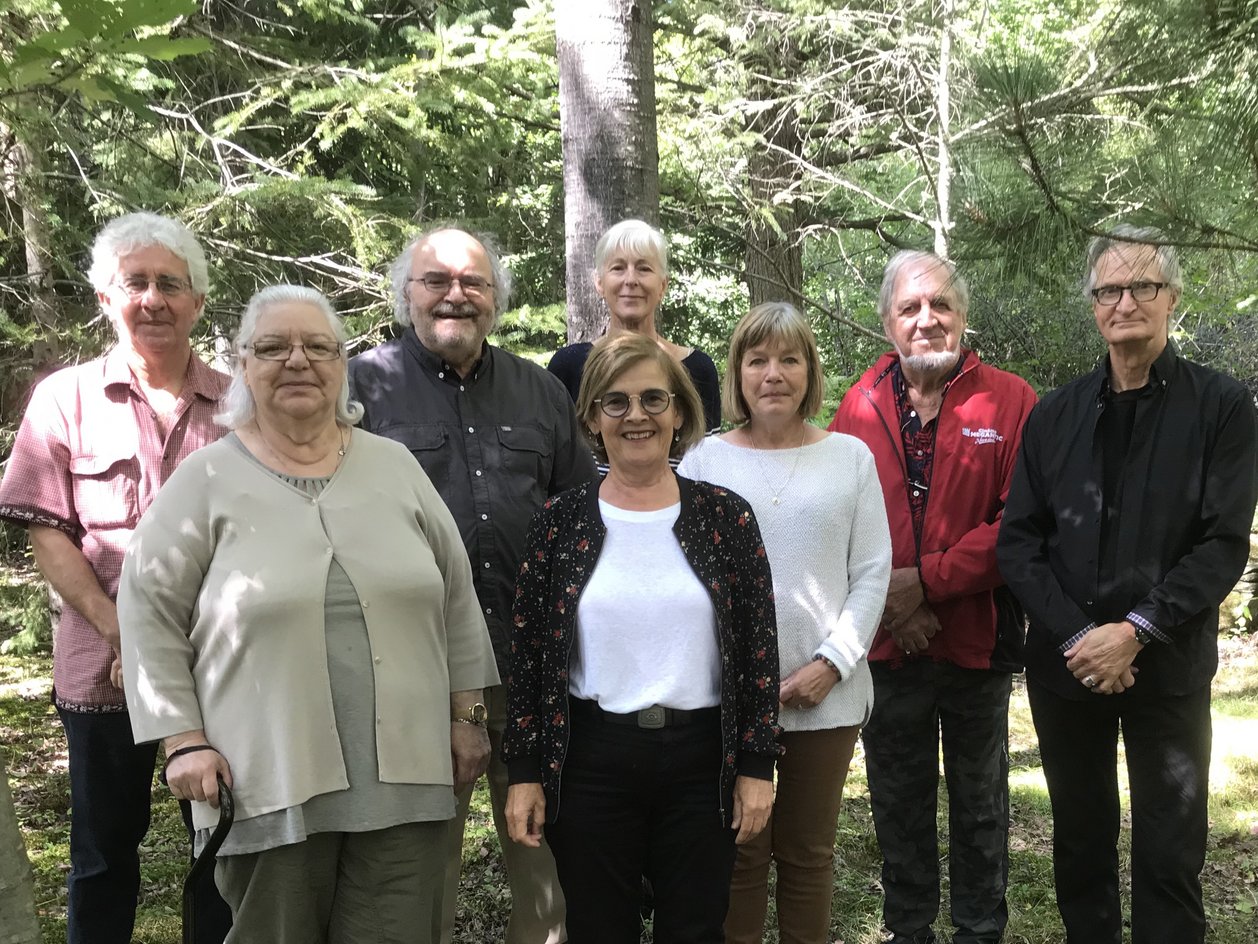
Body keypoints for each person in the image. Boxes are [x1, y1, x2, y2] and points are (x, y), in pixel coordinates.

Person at [117, 285, 499, 943]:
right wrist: (182, 740)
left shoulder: (395, 466)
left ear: (341, 365)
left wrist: (467, 716)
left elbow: (456, 596)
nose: (298, 361)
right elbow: (147, 611)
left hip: (409, 774)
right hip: (265, 775)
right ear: (242, 364)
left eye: (318, 347)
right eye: (273, 347)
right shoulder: (205, 480)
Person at [996, 227, 1258, 944]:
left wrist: (1136, 630)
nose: (1125, 302)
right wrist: (1082, 638)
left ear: (1171, 297)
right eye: (1109, 289)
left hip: (1167, 666)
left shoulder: (1224, 408)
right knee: (1080, 848)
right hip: (1067, 669)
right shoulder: (1055, 416)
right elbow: (1018, 542)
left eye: (1142, 286)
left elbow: (1223, 543)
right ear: (1093, 306)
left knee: (1170, 853)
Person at [349, 227, 593, 944]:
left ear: (495, 299)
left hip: (528, 661)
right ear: (406, 294)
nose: (456, 294)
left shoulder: (541, 390)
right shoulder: (361, 388)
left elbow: (581, 519)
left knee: (541, 849)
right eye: (436, 280)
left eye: (474, 283)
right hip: (409, 667)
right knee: (420, 860)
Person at [502, 332, 780, 944]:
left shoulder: (726, 517)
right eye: (616, 402)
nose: (637, 416)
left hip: (702, 765)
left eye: (655, 399)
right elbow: (528, 659)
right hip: (592, 764)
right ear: (591, 418)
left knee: (696, 930)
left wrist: (758, 765)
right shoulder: (559, 523)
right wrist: (523, 770)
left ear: (680, 412)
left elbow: (760, 650)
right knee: (600, 931)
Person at [0, 211, 231, 944]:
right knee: (103, 854)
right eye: (136, 282)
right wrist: (124, 630)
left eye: (171, 283)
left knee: (223, 848)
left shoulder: (239, 402)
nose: (154, 299)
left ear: (197, 301)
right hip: (102, 668)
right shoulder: (62, 399)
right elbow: (49, 536)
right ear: (107, 297)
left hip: (223, 665)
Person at [829, 250, 1037, 944]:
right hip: (887, 646)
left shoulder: (1010, 400)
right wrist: (894, 603)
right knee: (898, 801)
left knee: (980, 804)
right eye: (911, 307)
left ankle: (980, 931)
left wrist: (930, 583)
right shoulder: (854, 406)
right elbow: (836, 520)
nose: (927, 320)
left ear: (963, 315)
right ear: (888, 321)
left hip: (977, 640)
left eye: (941, 305)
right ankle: (908, 928)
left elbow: (1022, 522)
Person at [678, 301, 891, 944]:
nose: (774, 373)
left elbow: (873, 572)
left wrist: (832, 664)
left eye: (789, 359)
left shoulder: (850, 459)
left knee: (806, 856)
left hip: (827, 699)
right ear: (739, 374)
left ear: (810, 372)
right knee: (739, 856)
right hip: (726, 700)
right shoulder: (703, 462)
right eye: (758, 359)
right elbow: (680, 579)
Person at [547, 219, 722, 435]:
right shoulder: (568, 368)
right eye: (618, 268)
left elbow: (705, 460)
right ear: (599, 283)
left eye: (644, 268)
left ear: (663, 285)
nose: (630, 279)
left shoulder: (697, 370)